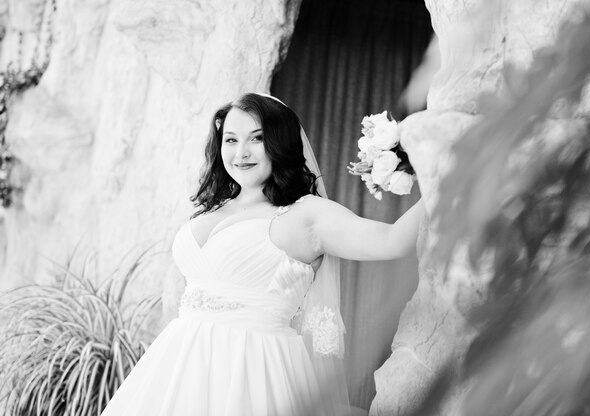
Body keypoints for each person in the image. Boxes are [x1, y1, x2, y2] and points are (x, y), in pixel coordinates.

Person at [100, 93, 423, 416]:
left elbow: (394, 241)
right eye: (231, 139)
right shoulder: (213, 207)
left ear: (279, 143)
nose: (241, 152)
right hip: (179, 366)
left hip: (252, 370)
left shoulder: (305, 215)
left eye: (257, 138)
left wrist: (450, 180)